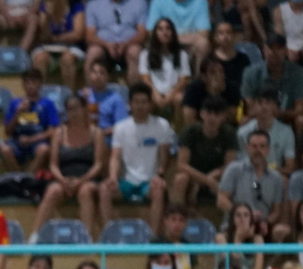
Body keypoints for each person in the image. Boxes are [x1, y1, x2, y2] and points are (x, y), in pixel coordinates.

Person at [36, 93, 108, 237]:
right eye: (69, 109)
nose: (73, 113)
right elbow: (53, 165)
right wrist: (63, 181)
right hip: (64, 178)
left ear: (84, 109)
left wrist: (81, 181)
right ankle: (35, 236)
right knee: (52, 191)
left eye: (76, 109)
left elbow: (98, 165)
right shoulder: (59, 133)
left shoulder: (97, 133)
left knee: (85, 191)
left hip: (88, 178)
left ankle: (86, 237)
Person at [108, 83, 174, 228]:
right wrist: (113, 177)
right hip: (126, 181)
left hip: (150, 182)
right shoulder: (120, 127)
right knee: (104, 190)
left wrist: (160, 175)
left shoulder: (162, 125)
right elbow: (115, 157)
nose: (140, 106)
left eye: (144, 102)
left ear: (150, 104)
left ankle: (154, 239)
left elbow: (165, 156)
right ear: (130, 103)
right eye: (136, 102)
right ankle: (110, 233)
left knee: (159, 190)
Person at [174, 95, 238, 208]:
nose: (212, 118)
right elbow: (181, 165)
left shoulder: (229, 133)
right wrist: (206, 180)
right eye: (209, 113)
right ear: (202, 114)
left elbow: (230, 165)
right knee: (180, 178)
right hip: (193, 178)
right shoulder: (190, 132)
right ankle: (177, 215)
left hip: (218, 178)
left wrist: (212, 177)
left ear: (223, 116)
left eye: (217, 114)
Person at [84, 0, 148, 76]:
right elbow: (90, 35)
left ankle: (136, 92)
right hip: (103, 46)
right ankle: (90, 91)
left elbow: (142, 33)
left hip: (129, 45)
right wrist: (107, 45)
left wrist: (125, 44)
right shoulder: (93, 5)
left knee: (135, 52)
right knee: (93, 52)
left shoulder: (139, 3)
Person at [219, 128, 287, 233]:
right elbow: (221, 200)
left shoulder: (276, 178)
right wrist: (243, 216)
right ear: (247, 148)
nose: (258, 150)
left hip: (262, 228)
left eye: (262, 146)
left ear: (268, 150)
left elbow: (276, 211)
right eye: (254, 146)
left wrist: (265, 221)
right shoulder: (234, 169)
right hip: (234, 227)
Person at [241, 34, 303, 130]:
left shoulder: (298, 72)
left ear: (286, 51)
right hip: (260, 117)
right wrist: (267, 112)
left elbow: (301, 108)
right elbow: (249, 106)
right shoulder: (250, 72)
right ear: (264, 51)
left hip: (288, 117)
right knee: (244, 120)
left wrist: (279, 113)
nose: (274, 52)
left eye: (279, 48)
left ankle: (300, 145)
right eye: (270, 48)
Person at [145, 0, 211, 63]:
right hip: (165, 46)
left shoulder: (200, 1)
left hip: (190, 46)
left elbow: (204, 34)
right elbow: (152, 32)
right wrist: (182, 38)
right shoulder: (158, 1)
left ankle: (197, 78)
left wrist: (171, 37)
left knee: (203, 44)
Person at [0, 68, 60, 171]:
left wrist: (32, 139)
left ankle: (28, 178)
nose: (30, 85)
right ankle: (18, 177)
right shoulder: (15, 103)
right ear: (23, 84)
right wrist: (17, 113)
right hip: (18, 140)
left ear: (40, 84)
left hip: (38, 140)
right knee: (4, 149)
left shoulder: (48, 104)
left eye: (33, 82)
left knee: (43, 149)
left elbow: (52, 131)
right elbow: (7, 132)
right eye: (27, 82)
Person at [33, 0, 86, 87]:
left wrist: (56, 38)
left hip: (71, 47)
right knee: (40, 58)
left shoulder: (77, 7)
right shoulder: (44, 7)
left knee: (67, 59)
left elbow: (77, 34)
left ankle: (68, 95)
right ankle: (41, 96)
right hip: (48, 47)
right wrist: (47, 17)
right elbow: (43, 35)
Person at [140, 17, 192, 114]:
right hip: (154, 91)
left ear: (173, 32)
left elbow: (184, 79)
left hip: (174, 91)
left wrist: (171, 94)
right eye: (160, 29)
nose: (165, 32)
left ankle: (178, 127)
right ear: (155, 33)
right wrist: (155, 93)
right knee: (146, 98)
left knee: (179, 98)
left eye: (168, 28)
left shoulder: (181, 54)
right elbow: (145, 79)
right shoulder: (146, 54)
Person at [235, 94, 296, 175]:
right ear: (253, 106)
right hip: (249, 175)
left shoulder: (286, 131)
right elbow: (240, 165)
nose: (264, 106)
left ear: (275, 106)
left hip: (276, 175)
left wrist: (268, 171)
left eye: (268, 102)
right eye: (260, 102)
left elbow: (290, 168)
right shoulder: (242, 132)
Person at [182, 55, 235, 127]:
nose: (218, 76)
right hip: (198, 129)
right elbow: (188, 117)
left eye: (221, 71)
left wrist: (217, 94)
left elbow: (232, 118)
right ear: (203, 77)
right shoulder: (194, 89)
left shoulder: (230, 88)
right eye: (213, 73)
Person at [209, 21, 251, 106]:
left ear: (234, 36)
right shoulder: (209, 59)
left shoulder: (243, 58)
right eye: (221, 33)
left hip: (239, 98)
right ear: (215, 37)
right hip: (216, 100)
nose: (225, 37)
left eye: (228, 33)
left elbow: (248, 82)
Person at [83, 57, 129, 131]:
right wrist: (84, 101)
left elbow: (121, 126)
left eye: (102, 73)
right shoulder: (82, 96)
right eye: (94, 72)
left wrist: (100, 135)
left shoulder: (115, 99)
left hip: (107, 138)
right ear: (90, 75)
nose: (97, 76)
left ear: (108, 77)